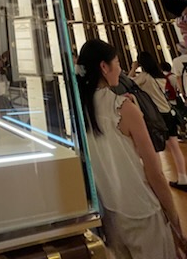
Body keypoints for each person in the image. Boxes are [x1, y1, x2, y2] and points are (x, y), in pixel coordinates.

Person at [76, 39, 187, 258]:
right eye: (117, 62)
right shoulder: (124, 108)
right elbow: (155, 172)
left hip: (109, 212)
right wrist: (175, 220)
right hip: (142, 210)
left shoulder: (80, 111)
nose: (120, 69)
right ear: (104, 67)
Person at [129, 52, 187, 191]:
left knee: (154, 149)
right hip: (168, 114)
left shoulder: (144, 77)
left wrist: (133, 68)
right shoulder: (161, 76)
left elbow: (128, 82)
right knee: (175, 148)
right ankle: (183, 179)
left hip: (156, 117)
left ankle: (158, 182)